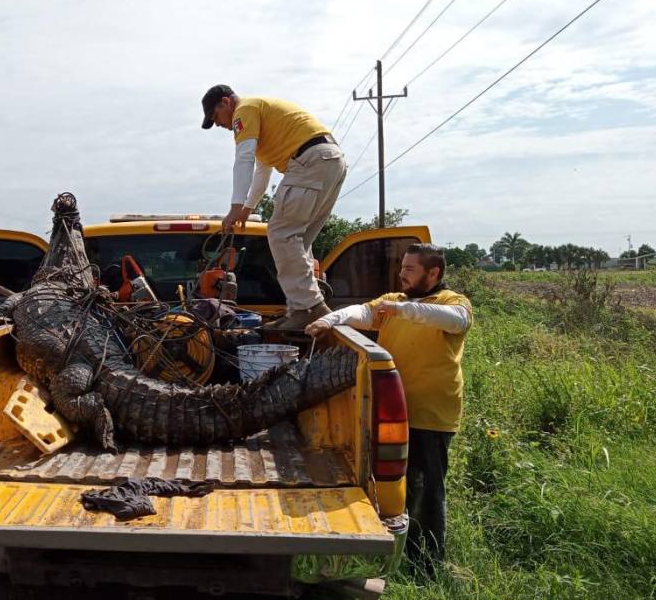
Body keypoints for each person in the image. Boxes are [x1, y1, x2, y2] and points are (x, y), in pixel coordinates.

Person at [305, 243, 472, 575]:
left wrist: (404, 309)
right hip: (388, 413)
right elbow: (361, 313)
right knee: (391, 486)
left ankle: (426, 565)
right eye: (403, 268)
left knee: (425, 490)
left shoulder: (453, 303)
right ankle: (390, 552)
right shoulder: (394, 301)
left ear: (433, 273)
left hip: (430, 416)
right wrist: (329, 320)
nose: (402, 274)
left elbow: (455, 322)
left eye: (410, 270)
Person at [201, 84, 348, 331]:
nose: (219, 125)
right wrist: (248, 207)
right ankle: (299, 310)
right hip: (329, 161)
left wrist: (235, 206)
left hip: (308, 162)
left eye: (215, 117)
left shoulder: (244, 110)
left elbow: (244, 158)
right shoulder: (261, 115)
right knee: (297, 242)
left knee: (281, 232)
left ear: (226, 102)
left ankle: (310, 308)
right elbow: (262, 170)